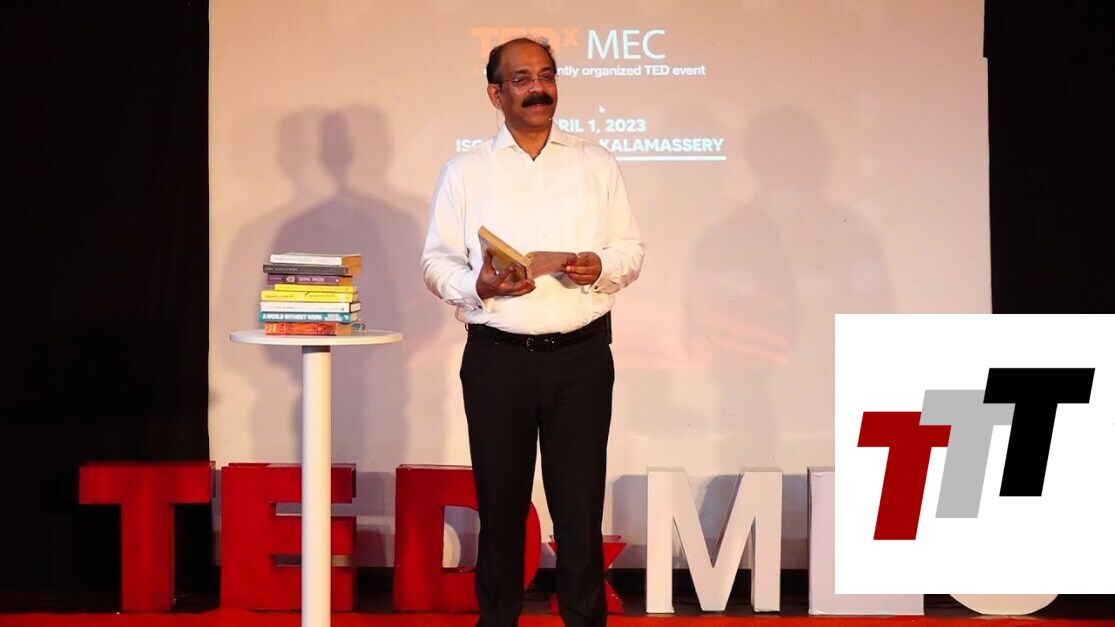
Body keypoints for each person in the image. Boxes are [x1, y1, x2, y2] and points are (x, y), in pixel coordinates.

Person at [420, 36, 644, 627]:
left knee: (579, 509)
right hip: (498, 360)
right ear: (495, 94)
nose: (538, 89)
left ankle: (584, 620)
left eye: (546, 76)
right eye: (521, 79)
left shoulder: (595, 162)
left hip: (581, 358)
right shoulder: (467, 171)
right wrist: (477, 284)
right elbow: (436, 262)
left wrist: (601, 266)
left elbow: (629, 249)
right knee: (500, 509)